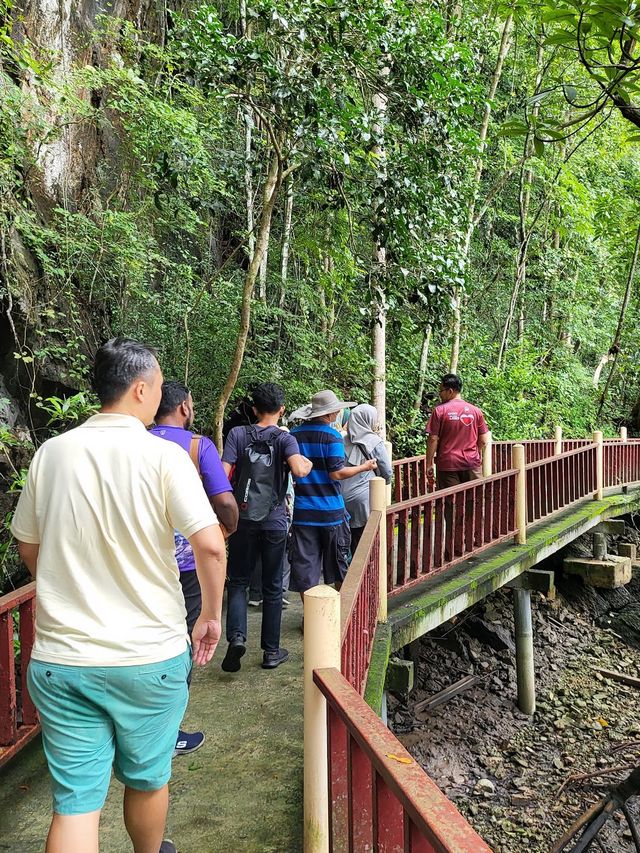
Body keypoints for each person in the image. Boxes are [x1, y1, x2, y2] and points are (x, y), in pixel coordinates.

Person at [11, 338, 226, 853]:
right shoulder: (163, 456)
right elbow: (211, 546)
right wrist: (211, 616)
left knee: (76, 802)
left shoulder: (51, 453)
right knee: (148, 777)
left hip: (63, 658)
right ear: (141, 388)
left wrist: (63, 587)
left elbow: (27, 541)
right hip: (148, 655)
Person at [150, 380, 239, 756]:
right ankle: (168, 733)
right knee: (182, 640)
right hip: (187, 563)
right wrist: (227, 529)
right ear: (184, 408)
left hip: (143, 562)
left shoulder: (135, 442)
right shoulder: (196, 446)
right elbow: (225, 502)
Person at [221, 382, 312, 671]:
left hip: (242, 518)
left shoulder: (237, 434)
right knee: (273, 587)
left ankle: (237, 637)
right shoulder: (285, 439)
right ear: (282, 409)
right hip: (273, 521)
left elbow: (223, 475)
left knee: (238, 581)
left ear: (253, 409)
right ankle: (271, 652)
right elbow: (298, 469)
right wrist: (306, 464)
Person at [288, 390, 377, 599]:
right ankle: (342, 614)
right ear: (329, 414)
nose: (338, 413)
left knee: (305, 568)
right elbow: (336, 473)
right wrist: (364, 467)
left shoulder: (293, 436)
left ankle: (310, 618)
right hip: (330, 511)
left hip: (302, 511)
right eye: (336, 410)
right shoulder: (332, 436)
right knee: (339, 563)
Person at [342, 404, 392, 553]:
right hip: (365, 498)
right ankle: (367, 574)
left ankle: (350, 572)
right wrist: (384, 483)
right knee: (366, 541)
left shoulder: (341, 440)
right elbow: (387, 470)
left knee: (350, 539)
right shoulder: (374, 441)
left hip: (342, 498)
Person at [425, 373, 490, 488]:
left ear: (450, 391)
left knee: (450, 502)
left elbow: (433, 439)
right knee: (475, 500)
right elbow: (484, 440)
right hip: (471, 464)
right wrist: (473, 453)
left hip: (448, 464)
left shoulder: (440, 411)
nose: (440, 395)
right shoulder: (476, 411)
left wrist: (429, 463)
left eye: (441, 391)